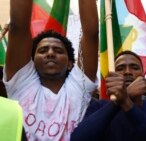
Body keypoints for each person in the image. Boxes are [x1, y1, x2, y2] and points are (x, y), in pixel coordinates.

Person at [4, 0, 98, 140]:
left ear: (70, 64)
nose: (50, 53)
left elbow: (91, 34)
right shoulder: (21, 83)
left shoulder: (80, 86)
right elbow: (18, 26)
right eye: (42, 50)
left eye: (58, 50)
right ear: (31, 61)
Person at [71, 51, 146, 141]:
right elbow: (79, 138)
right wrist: (120, 100)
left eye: (134, 68)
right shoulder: (98, 106)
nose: (127, 72)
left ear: (143, 76)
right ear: (112, 77)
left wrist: (126, 100)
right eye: (120, 68)